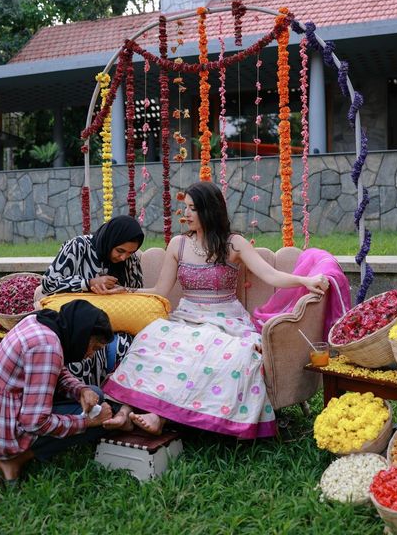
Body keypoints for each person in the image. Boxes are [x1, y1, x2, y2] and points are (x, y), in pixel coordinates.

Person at [103, 182, 330, 439]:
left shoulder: (233, 244)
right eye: (185, 208)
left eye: (192, 209)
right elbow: (160, 290)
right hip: (186, 318)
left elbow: (270, 275)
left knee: (223, 354)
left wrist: (305, 281)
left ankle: (159, 417)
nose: (186, 214)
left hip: (225, 319)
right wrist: (125, 292)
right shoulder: (178, 244)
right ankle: (124, 411)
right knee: (152, 340)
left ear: (209, 210)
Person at [0, 300, 115, 487]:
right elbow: (35, 422)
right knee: (99, 419)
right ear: (82, 333)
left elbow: (56, 370)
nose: (90, 355)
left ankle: (16, 455)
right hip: (3, 428)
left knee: (94, 394)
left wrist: (81, 390)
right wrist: (86, 423)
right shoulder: (47, 347)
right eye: (94, 347)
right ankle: (15, 459)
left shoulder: (40, 321)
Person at [39, 215, 145, 386]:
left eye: (130, 252)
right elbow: (48, 283)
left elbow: (137, 293)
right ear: (110, 240)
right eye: (120, 251)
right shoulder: (78, 247)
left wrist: (122, 290)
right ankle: (83, 401)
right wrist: (87, 283)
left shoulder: (130, 261)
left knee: (128, 346)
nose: (124, 258)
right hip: (78, 325)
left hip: (116, 323)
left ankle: (117, 401)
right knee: (84, 347)